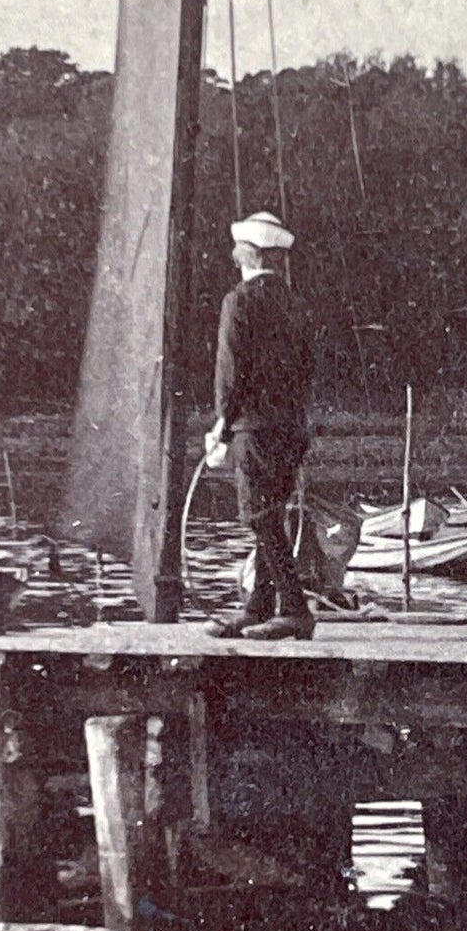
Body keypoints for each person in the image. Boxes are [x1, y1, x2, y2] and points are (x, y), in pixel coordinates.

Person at [206, 210, 314, 641]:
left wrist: (222, 424)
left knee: (261, 516)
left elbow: (231, 374)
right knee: (272, 516)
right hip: (291, 427)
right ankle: (258, 606)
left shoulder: (239, 301)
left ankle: (295, 608)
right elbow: (307, 369)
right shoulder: (297, 304)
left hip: (254, 427)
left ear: (246, 255)